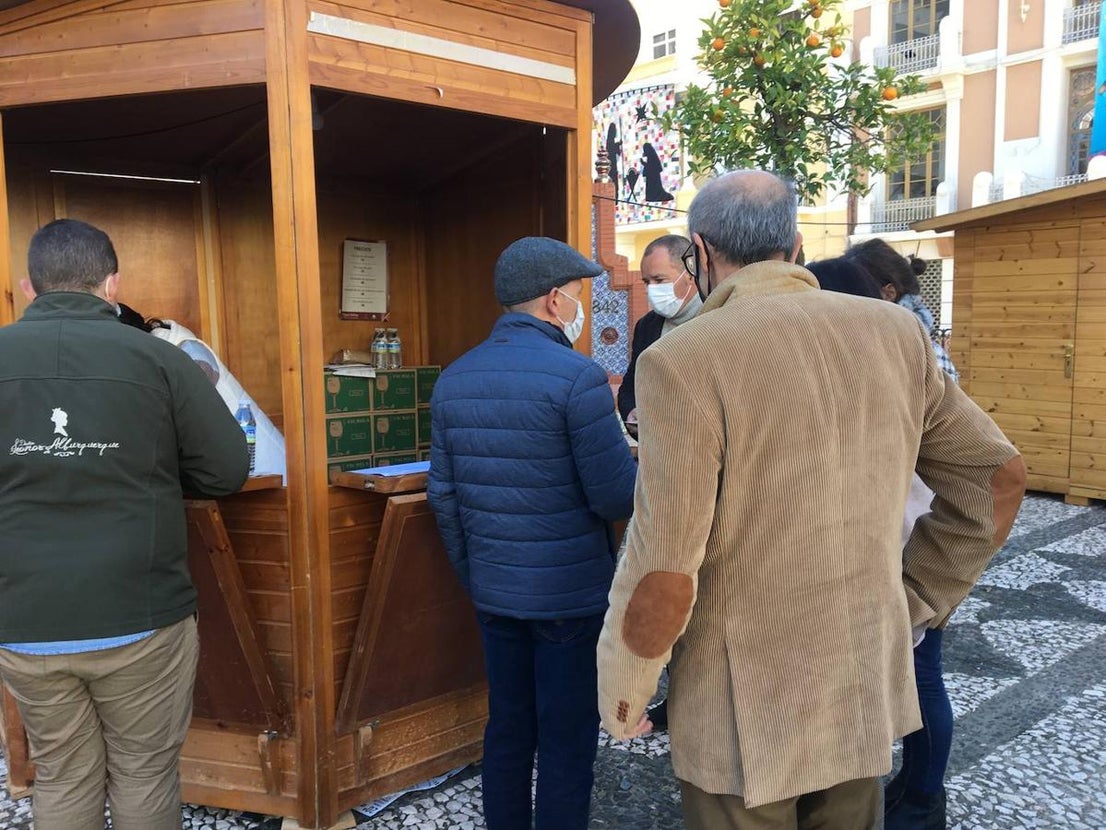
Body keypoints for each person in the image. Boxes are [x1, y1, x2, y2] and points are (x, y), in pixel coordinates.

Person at [596, 171, 1026, 830]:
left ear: (700, 252)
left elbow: (665, 560)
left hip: (739, 706)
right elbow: (996, 477)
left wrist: (626, 692)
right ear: (796, 246)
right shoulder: (897, 334)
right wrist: (919, 595)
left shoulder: (681, 359)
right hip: (857, 684)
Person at [0, 219, 250, 830]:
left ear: (30, 286)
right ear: (112, 284)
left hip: (24, 618)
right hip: (140, 612)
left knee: (62, 774)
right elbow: (225, 471)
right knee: (143, 774)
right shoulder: (158, 358)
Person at [427, 236, 638, 830]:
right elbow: (615, 497)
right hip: (569, 598)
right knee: (567, 737)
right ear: (552, 300)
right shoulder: (579, 377)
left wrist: (477, 575)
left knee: (508, 727)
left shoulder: (454, 378)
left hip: (496, 593)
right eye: (576, 295)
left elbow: (443, 496)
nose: (579, 307)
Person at [617, 234, 702, 431]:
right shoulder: (647, 326)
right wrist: (631, 412)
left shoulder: (717, 317)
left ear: (690, 274)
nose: (651, 289)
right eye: (647, 282)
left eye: (659, 280)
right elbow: (631, 384)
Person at [845, 238, 959, 382]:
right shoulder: (857, 342)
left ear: (888, 293)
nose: (844, 302)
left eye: (853, 293)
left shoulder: (927, 356)